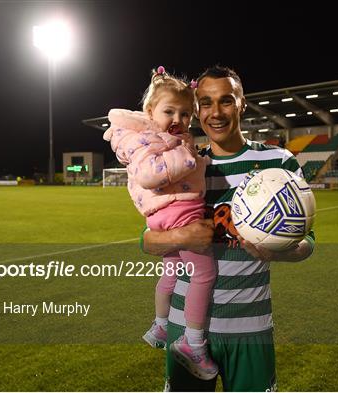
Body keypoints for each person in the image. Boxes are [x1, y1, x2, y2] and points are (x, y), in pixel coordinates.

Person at [142, 66, 315, 391]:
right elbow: (148, 240)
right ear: (196, 109)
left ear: (242, 103)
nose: (215, 112)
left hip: (250, 329)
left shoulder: (280, 163)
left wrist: (282, 250)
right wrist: (180, 236)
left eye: (225, 101)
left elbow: (308, 241)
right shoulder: (183, 164)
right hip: (183, 330)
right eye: (205, 103)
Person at [103, 66, 218, 380]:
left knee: (171, 273)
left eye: (185, 115)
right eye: (170, 112)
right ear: (150, 112)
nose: (178, 121)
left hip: (163, 215)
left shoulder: (162, 138)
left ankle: (161, 326)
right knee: (204, 273)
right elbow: (150, 174)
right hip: (180, 211)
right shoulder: (150, 141)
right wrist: (191, 159)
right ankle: (193, 343)